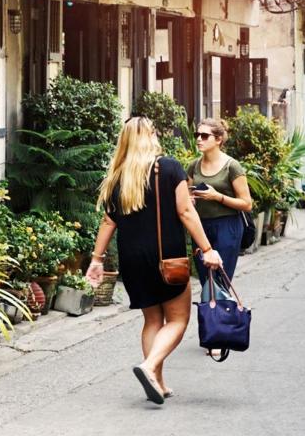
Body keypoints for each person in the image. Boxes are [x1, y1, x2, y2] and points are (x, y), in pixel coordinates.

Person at [85, 116, 222, 405]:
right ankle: (149, 367)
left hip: (132, 260)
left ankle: (157, 381)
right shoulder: (169, 168)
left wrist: (96, 260)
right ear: (152, 136)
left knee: (152, 320)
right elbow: (185, 212)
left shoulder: (117, 177)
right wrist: (208, 249)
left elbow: (108, 222)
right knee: (177, 320)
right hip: (166, 257)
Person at [187, 118, 252, 303]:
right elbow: (186, 195)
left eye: (205, 135)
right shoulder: (193, 165)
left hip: (227, 226)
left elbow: (247, 204)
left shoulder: (231, 166)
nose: (199, 139)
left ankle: (221, 322)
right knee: (205, 279)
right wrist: (189, 199)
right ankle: (211, 321)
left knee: (220, 280)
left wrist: (218, 197)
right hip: (200, 227)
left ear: (218, 140)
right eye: (197, 135)